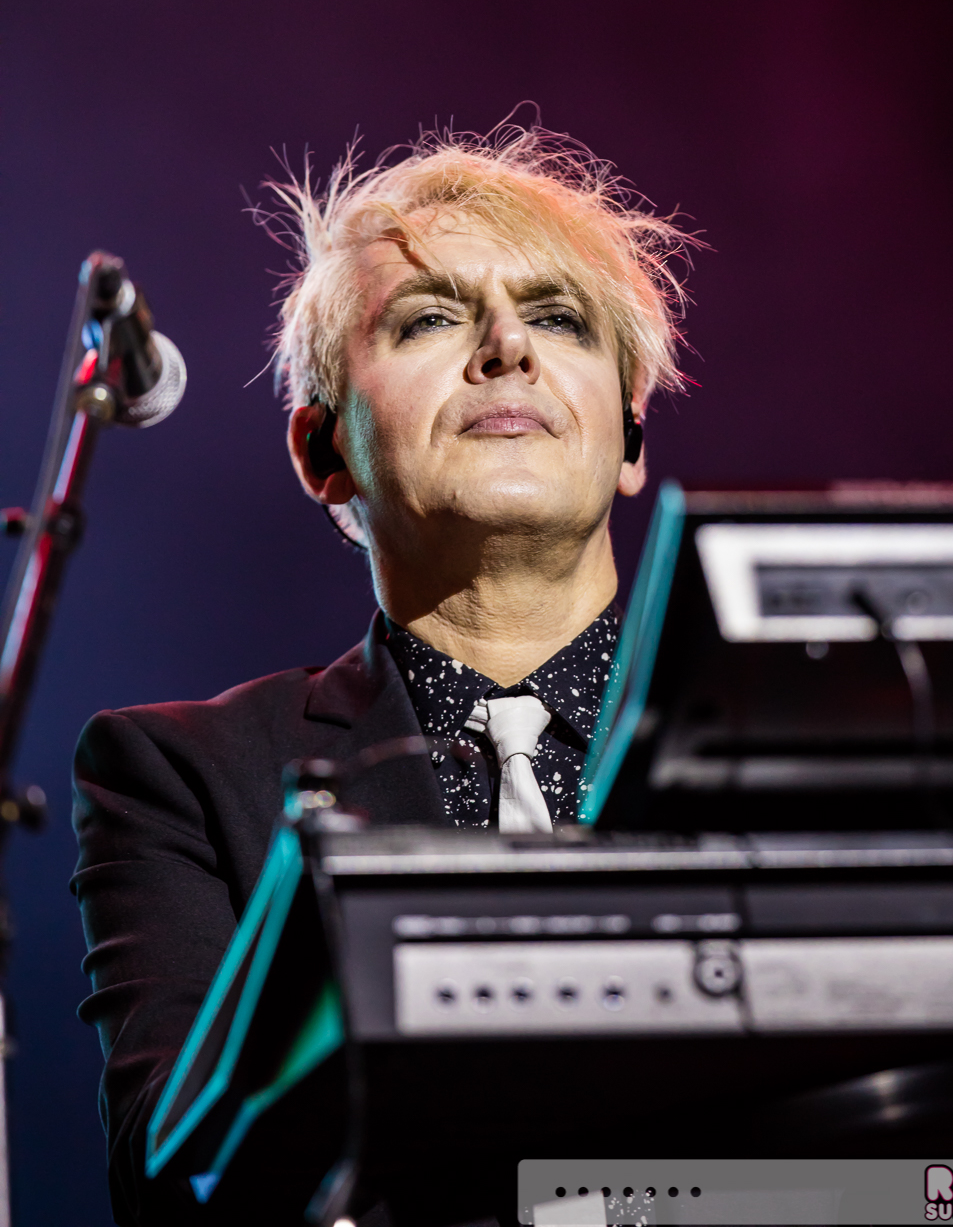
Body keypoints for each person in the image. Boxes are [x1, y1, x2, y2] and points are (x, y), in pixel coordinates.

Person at [71, 120, 691, 1226]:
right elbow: (176, 1188)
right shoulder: (179, 775)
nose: (507, 347)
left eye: (557, 318)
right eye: (429, 318)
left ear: (632, 434)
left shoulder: (784, 745)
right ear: (323, 450)